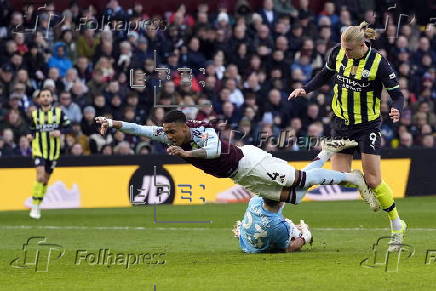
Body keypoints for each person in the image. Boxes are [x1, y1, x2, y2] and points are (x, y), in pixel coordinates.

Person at [288, 21, 406, 251]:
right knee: (341, 175)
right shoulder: (338, 53)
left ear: (362, 45)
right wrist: (306, 88)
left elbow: (397, 94)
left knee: (373, 180)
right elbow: (325, 74)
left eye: (349, 49)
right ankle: (362, 186)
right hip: (342, 124)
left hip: (367, 126)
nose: (345, 52)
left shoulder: (379, 63)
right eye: (343, 47)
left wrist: (396, 107)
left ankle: (397, 225)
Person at [95, 110, 377, 206]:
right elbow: (141, 129)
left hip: (249, 162)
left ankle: (351, 178)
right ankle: (325, 152)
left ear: (183, 127)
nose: (167, 136)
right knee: (297, 196)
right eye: (165, 132)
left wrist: (186, 153)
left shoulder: (201, 131)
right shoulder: (171, 135)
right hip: (239, 175)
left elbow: (215, 151)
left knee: (297, 178)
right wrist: (113, 122)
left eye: (171, 131)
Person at [27, 88, 72, 219]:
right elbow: (31, 130)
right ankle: (34, 206)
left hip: (53, 152)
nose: (45, 98)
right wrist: (30, 136)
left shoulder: (59, 113)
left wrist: (60, 132)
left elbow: (70, 128)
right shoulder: (35, 115)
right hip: (39, 150)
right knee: (40, 177)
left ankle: (38, 203)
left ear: (52, 98)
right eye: (43, 96)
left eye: (48, 95)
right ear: (39, 99)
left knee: (46, 180)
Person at [232, 196, 312, 253]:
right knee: (296, 233)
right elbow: (288, 249)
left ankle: (241, 232)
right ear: (280, 203)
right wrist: (305, 237)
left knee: (282, 224)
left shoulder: (254, 201)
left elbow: (276, 218)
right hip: (258, 249)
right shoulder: (280, 226)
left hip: (247, 239)